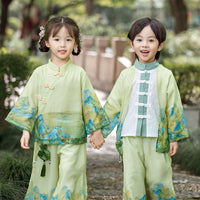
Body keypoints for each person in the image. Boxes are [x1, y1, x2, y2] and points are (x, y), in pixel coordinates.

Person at [5, 16, 106, 200]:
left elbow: (89, 103)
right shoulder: (39, 73)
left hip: (73, 138)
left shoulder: (80, 74)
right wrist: (26, 130)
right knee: (46, 182)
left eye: (68, 39)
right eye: (57, 39)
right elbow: (29, 102)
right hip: (46, 139)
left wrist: (96, 130)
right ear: (46, 42)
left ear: (75, 43)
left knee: (70, 177)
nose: (63, 44)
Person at [90, 17, 189, 199]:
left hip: (157, 140)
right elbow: (113, 105)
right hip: (130, 139)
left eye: (151, 40)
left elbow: (173, 107)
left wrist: (174, 137)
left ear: (160, 45)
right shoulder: (126, 75)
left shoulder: (165, 76)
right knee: (133, 182)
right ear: (132, 43)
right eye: (139, 39)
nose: (144, 45)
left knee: (160, 182)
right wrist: (99, 132)